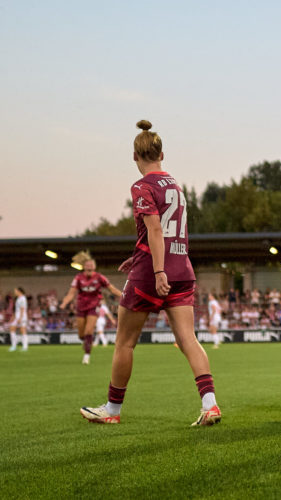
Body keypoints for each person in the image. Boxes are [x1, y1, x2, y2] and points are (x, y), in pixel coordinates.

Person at [80, 120, 220, 426]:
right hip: (182, 267)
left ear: (135, 157)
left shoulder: (141, 186)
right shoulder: (176, 187)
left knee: (125, 343)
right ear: (162, 154)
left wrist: (156, 269)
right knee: (188, 340)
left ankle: (112, 411)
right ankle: (210, 404)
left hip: (154, 273)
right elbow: (170, 232)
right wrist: (138, 254)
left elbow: (155, 228)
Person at [60, 251, 122, 364]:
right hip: (80, 307)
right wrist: (64, 303)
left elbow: (111, 288)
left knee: (89, 330)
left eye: (91, 265)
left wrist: (123, 295)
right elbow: (71, 293)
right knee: (81, 335)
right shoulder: (78, 278)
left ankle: (86, 356)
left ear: (94, 266)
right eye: (87, 265)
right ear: (83, 267)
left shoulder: (99, 277)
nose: (89, 267)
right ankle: (86, 341)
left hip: (94, 307)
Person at [8, 287, 28, 352]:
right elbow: (17, 309)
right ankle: (14, 345)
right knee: (12, 328)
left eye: (15, 291)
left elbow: (22, 309)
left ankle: (25, 347)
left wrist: (20, 318)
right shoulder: (18, 299)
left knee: (23, 330)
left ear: (19, 291)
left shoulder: (23, 298)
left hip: (22, 317)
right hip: (17, 316)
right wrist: (13, 317)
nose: (15, 292)